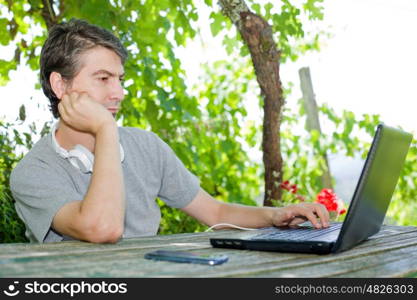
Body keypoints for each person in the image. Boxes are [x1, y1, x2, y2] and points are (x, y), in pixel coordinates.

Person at [10, 19, 329, 244]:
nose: (119, 92)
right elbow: (102, 229)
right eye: (104, 78)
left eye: (120, 79)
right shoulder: (32, 173)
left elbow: (215, 210)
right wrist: (106, 131)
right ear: (59, 85)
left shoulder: (146, 146)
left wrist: (276, 217)